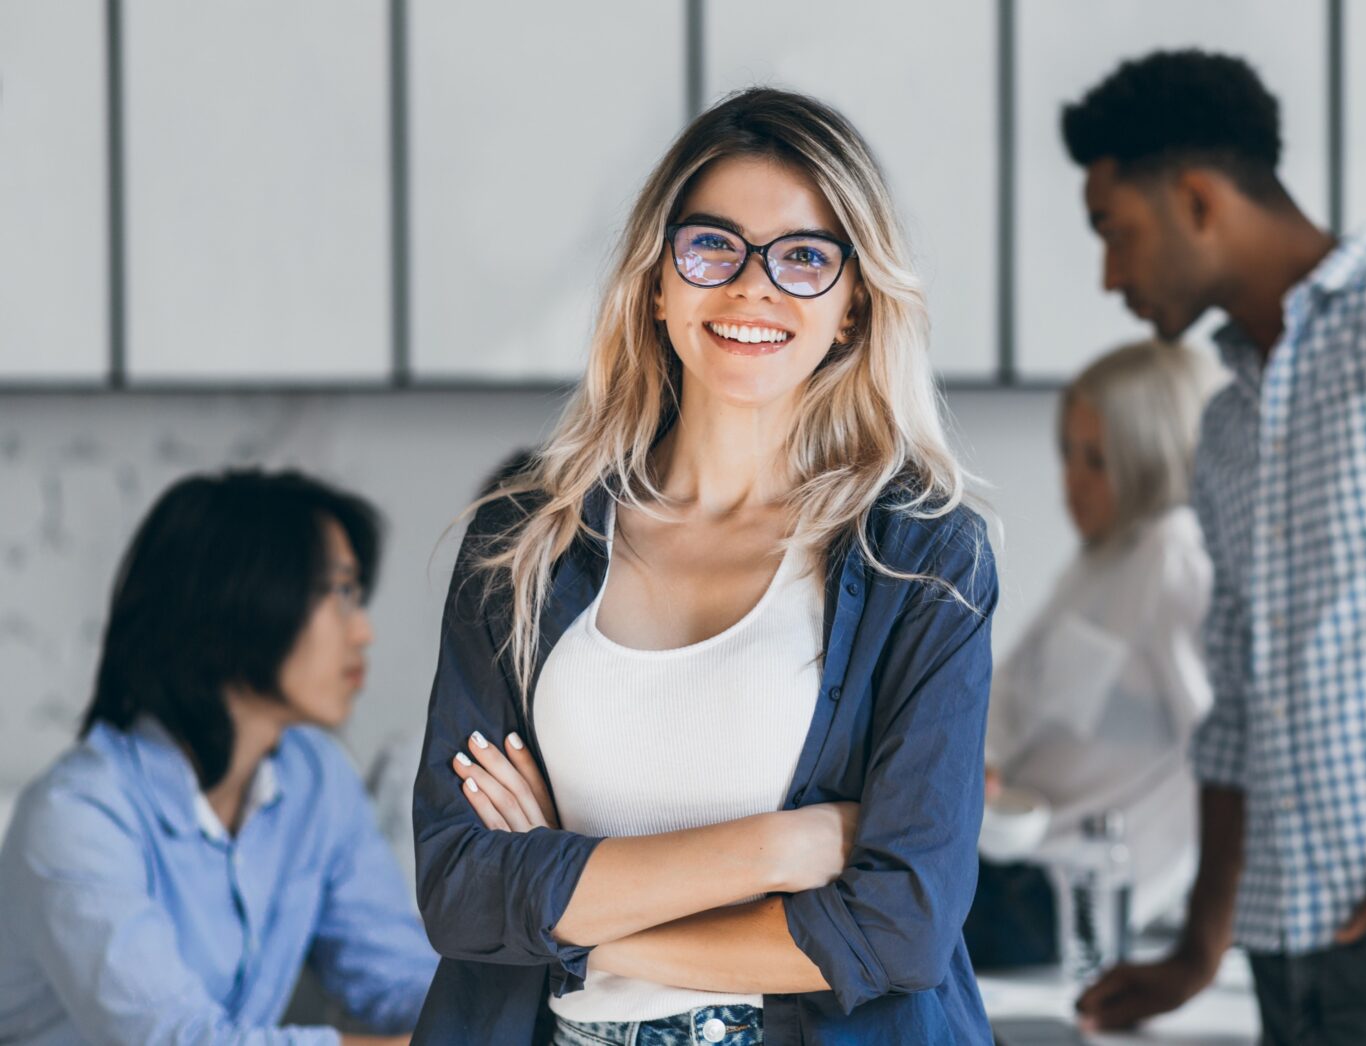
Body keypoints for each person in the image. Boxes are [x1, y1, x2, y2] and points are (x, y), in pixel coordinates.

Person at [409, 88, 998, 1044]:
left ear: (853, 307)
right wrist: (783, 849)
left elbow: (901, 930)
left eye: (804, 257)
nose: (753, 287)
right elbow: (463, 893)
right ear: (657, 283)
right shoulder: (521, 544)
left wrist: (579, 921)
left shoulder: (925, 562)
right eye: (712, 245)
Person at [1061, 50, 1366, 1044]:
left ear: (1197, 199)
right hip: (1287, 940)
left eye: (1113, 233)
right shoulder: (1227, 424)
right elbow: (1236, 708)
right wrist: (1199, 945)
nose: (1108, 275)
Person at [0, 470, 438, 1045]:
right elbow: (181, 1041)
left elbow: (393, 979)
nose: (363, 632)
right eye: (339, 593)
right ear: (237, 603)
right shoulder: (77, 817)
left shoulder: (316, 777)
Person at [967, 340, 1216, 969]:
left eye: (1097, 462)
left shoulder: (1172, 558)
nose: (1071, 483)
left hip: (1066, 892)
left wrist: (1207, 938)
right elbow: (1013, 701)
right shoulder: (1102, 562)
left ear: (1152, 462)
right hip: (1014, 858)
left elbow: (1226, 748)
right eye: (1068, 456)